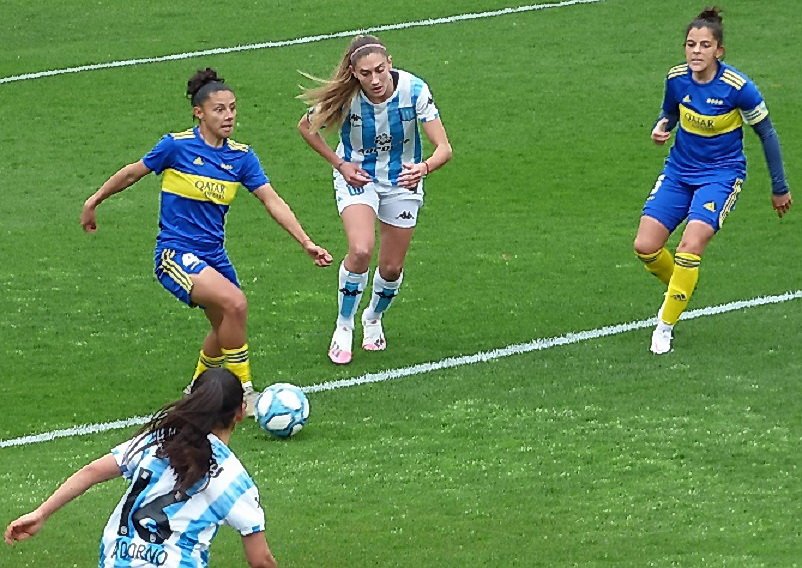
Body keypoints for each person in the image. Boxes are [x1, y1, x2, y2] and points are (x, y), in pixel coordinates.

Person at [80, 68, 332, 409]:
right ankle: (245, 394)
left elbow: (271, 200)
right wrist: (94, 201)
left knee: (226, 322)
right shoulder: (176, 146)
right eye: (219, 110)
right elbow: (131, 173)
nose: (229, 116)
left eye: (233, 108)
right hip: (175, 254)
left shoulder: (241, 157)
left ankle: (197, 391)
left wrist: (305, 241)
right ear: (199, 112)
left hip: (214, 255)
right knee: (235, 303)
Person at [633, 6, 792, 355]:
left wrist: (779, 187)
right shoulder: (676, 78)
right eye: (691, 44)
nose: (696, 51)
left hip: (721, 177)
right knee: (645, 246)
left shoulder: (739, 88)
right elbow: (670, 111)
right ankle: (682, 285)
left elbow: (767, 134)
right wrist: (662, 126)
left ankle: (664, 327)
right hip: (679, 172)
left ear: (719, 50)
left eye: (705, 45)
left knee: (690, 246)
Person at [4, 368, 278, 568]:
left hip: (116, 559)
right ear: (240, 412)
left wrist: (41, 513)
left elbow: (91, 472)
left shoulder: (158, 440)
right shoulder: (233, 479)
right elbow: (261, 561)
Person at [297, 34, 453, 365]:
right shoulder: (346, 96)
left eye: (380, 70)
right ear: (354, 73)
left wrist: (423, 168)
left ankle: (373, 317)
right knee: (361, 249)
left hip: (402, 180)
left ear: (390, 63)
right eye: (366, 74)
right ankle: (344, 325)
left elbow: (444, 148)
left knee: (392, 267)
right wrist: (341, 165)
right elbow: (306, 127)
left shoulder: (414, 90)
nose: (375, 79)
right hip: (359, 177)